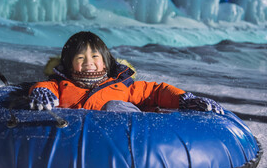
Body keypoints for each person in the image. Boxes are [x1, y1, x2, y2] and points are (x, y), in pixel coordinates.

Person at [28, 31, 224, 114]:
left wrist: (185, 99)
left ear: (106, 61)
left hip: (124, 146)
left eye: (95, 56)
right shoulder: (60, 86)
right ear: (69, 65)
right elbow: (45, 87)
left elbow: (155, 91)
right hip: (75, 149)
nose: (89, 63)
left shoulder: (121, 86)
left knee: (114, 106)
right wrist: (41, 93)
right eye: (80, 58)